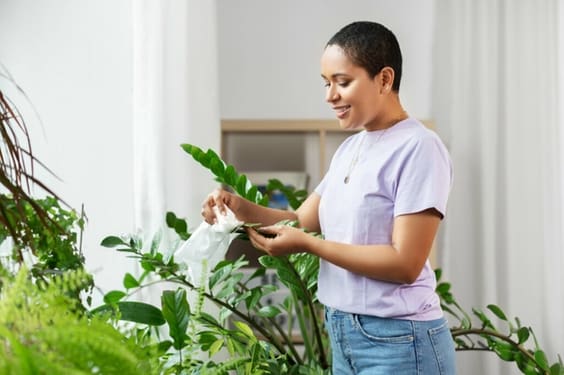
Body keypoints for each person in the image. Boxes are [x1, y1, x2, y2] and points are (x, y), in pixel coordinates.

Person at [202, 21, 456, 375]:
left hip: (400, 341)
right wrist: (238, 208)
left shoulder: (420, 148)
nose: (330, 96)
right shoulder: (351, 149)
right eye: (326, 83)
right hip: (344, 334)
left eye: (343, 82)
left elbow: (405, 263)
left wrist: (311, 246)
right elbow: (301, 221)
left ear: (384, 79)